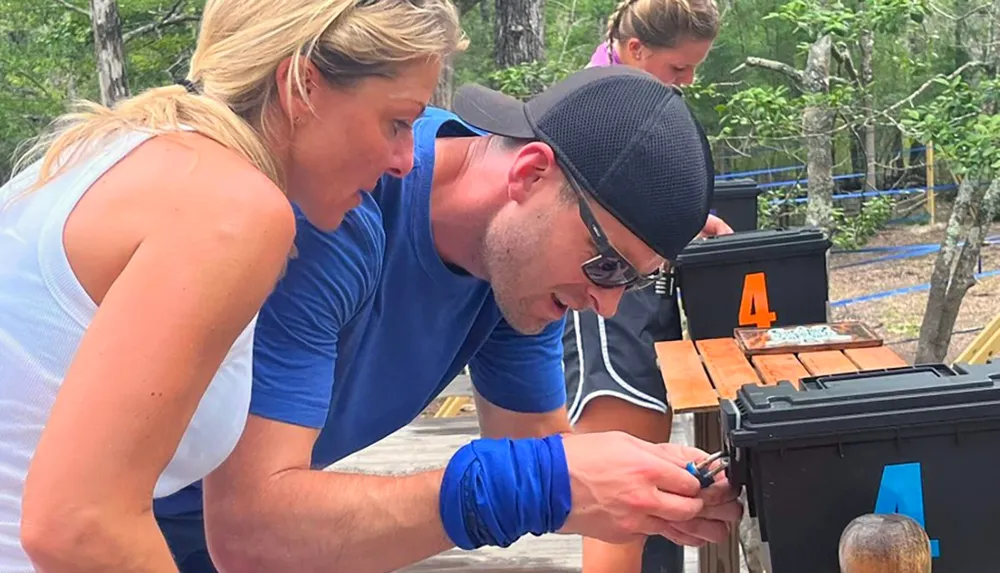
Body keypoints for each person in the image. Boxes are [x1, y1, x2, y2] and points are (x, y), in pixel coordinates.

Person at [152, 65, 743, 572]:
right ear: (531, 173)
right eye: (607, 265)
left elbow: (541, 460)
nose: (608, 303)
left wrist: (658, 484)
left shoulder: (516, 272)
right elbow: (249, 531)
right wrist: (523, 485)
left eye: (632, 280)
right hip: (119, 525)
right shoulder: (343, 205)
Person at [0, 1, 465, 571]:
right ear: (303, 86)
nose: (404, 161)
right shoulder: (233, 209)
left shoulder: (120, 152)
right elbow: (79, 524)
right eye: (397, 122)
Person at [560, 1, 735, 573]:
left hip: (646, 307)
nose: (687, 83)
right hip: (610, 321)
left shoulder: (632, 103)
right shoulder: (597, 105)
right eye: (679, 68)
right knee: (622, 509)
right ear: (636, 50)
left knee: (655, 493)